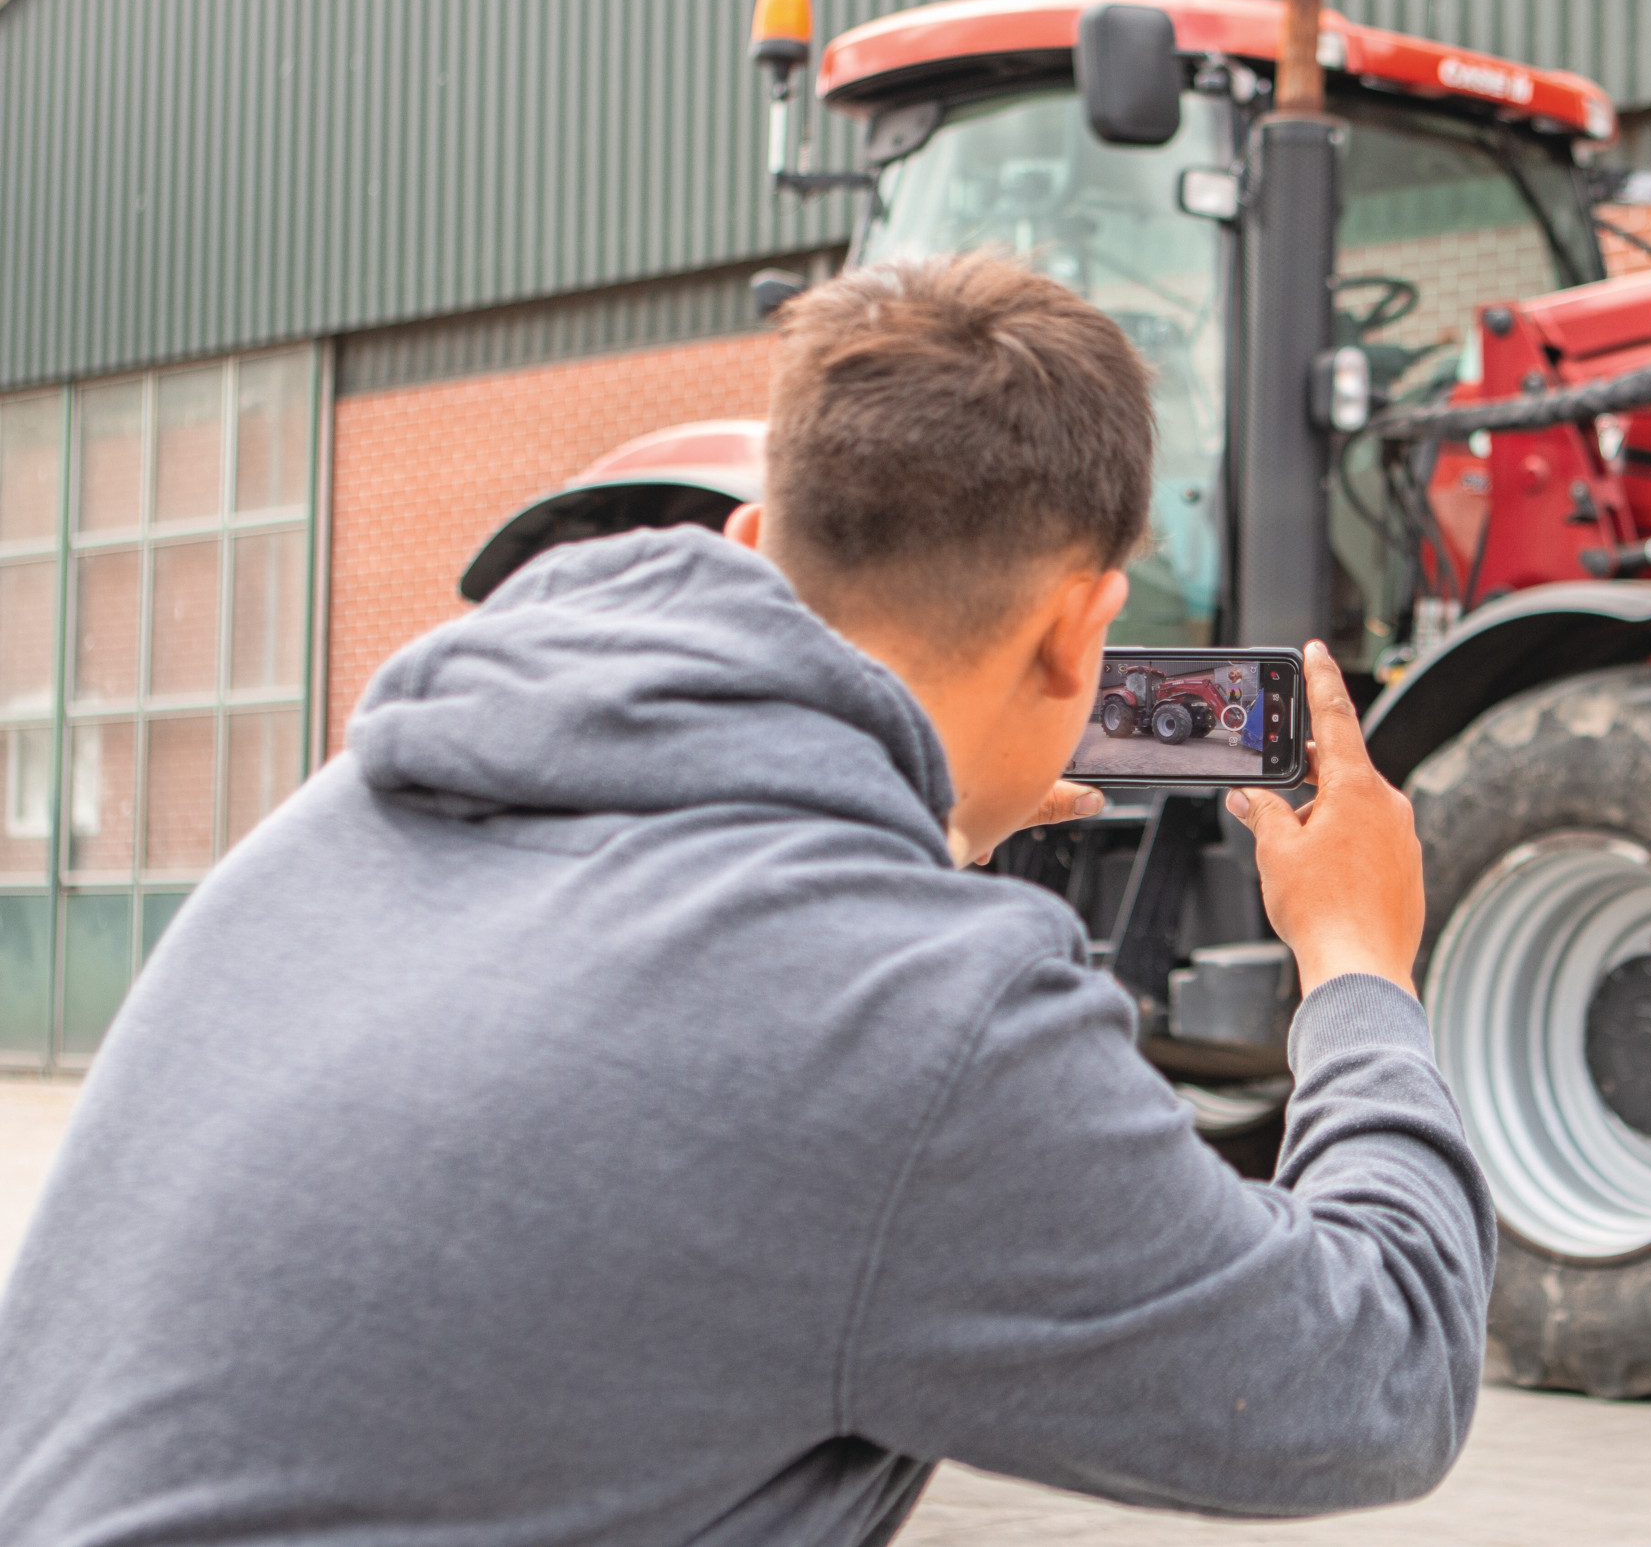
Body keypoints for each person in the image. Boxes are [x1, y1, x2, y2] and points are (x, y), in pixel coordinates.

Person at [0, 254, 1495, 1545]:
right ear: (1081, 631)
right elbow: (1384, 1374)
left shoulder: (355, 809)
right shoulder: (925, 1023)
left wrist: (900, 850)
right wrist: (1358, 958)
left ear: (754, 544)